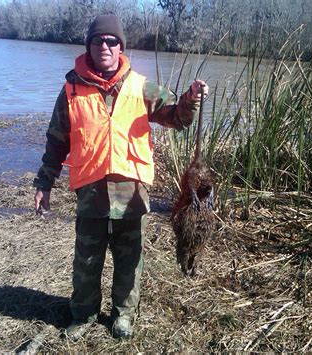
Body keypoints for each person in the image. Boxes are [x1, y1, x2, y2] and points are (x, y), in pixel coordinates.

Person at [33, 14, 209, 340]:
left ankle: (123, 316)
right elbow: (56, 141)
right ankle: (83, 315)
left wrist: (190, 99)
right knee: (86, 260)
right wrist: (44, 182)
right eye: (98, 40)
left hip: (132, 194)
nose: (105, 45)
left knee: (130, 260)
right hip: (91, 193)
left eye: (112, 41)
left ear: (120, 47)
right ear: (89, 45)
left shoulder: (141, 86)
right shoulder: (71, 89)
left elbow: (176, 117)